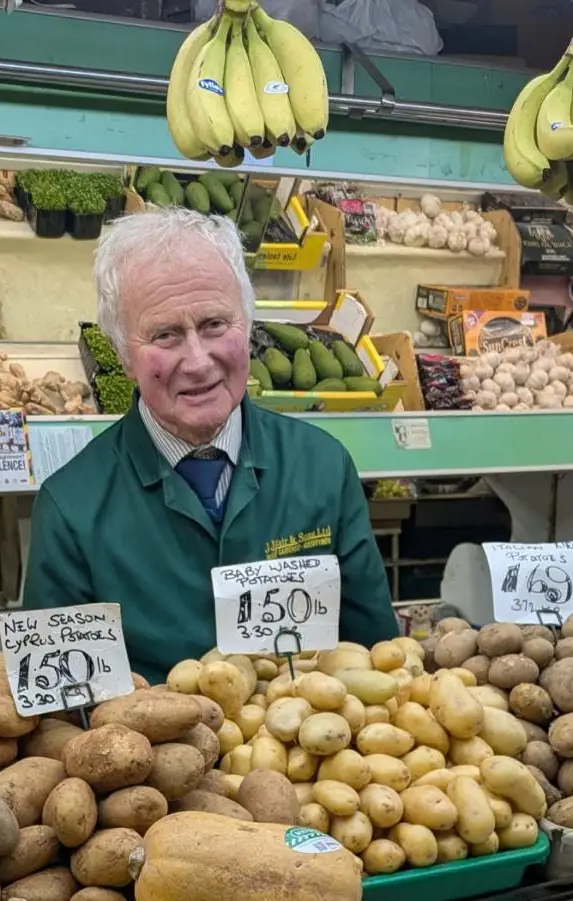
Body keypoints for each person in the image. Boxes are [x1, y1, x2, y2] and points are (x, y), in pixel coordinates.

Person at [23, 206, 398, 683]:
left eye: (215, 325)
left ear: (248, 323)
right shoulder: (70, 508)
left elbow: (378, 656)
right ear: (121, 353)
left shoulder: (323, 467)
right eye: (165, 335)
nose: (198, 362)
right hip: (152, 755)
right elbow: (63, 708)